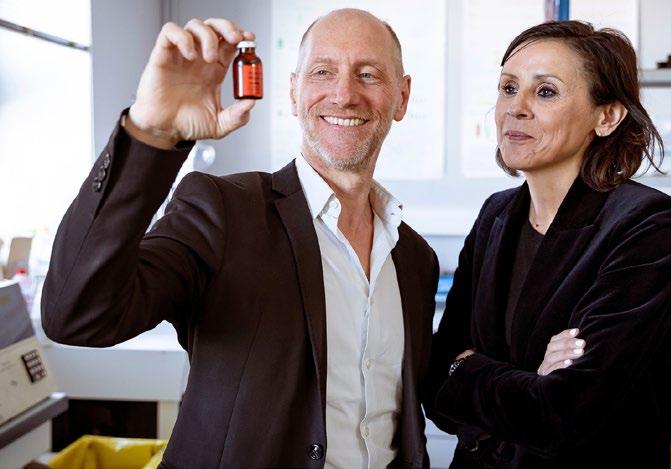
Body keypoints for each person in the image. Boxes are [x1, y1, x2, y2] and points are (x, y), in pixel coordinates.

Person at [42, 9, 439, 468]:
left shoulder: (415, 260)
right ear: (294, 93)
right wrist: (151, 133)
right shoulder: (223, 213)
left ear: (401, 97)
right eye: (322, 72)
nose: (344, 94)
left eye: (368, 74)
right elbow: (77, 314)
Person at [424, 21, 671, 467]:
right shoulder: (495, 214)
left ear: (607, 117)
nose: (516, 108)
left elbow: (562, 412)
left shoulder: (646, 222)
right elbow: (434, 383)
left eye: (545, 92)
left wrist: (467, 367)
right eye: (508, 88)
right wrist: (528, 376)